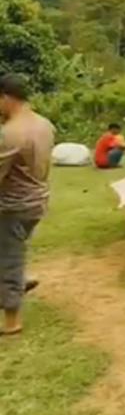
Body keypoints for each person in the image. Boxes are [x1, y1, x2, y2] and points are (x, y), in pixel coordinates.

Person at [0, 74, 54, 336]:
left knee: (9, 259)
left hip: (13, 206)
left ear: (6, 98)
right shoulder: (45, 124)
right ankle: (19, 280)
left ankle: (12, 321)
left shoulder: (11, 133)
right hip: (38, 200)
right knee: (12, 252)